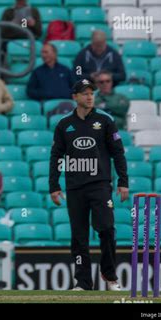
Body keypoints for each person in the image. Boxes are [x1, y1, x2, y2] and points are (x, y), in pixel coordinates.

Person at [49, 78, 129, 291]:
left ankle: (110, 276)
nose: (89, 96)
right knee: (79, 237)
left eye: (91, 93)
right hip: (75, 187)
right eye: (84, 93)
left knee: (107, 229)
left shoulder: (105, 121)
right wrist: (54, 186)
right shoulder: (64, 125)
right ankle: (83, 282)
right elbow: (56, 156)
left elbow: (118, 153)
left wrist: (123, 182)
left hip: (100, 185)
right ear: (74, 97)